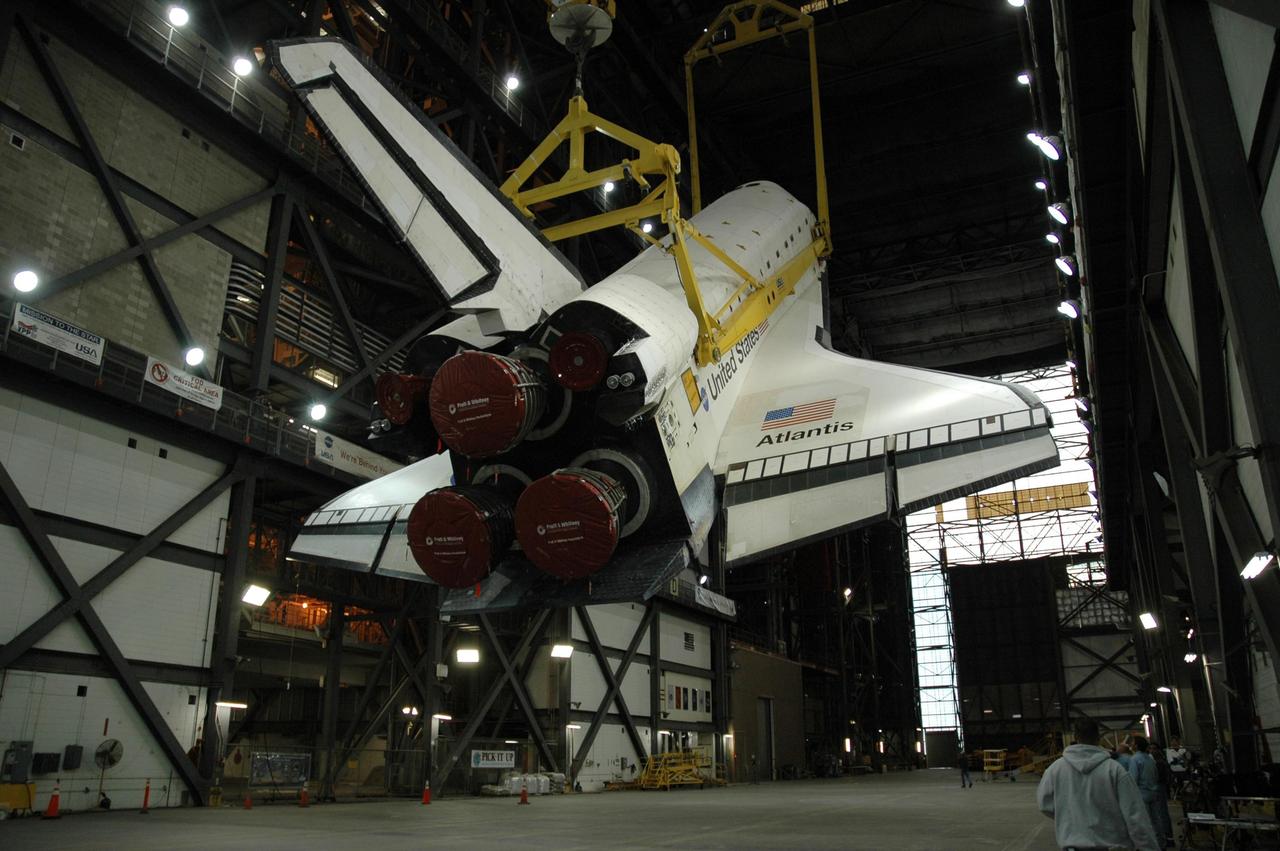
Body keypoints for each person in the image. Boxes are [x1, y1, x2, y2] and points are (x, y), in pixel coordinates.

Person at [1037, 719, 1159, 851]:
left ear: (1075, 737)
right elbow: (1135, 816)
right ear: (1098, 737)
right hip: (1113, 846)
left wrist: (1071, 815)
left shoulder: (1055, 769)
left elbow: (1044, 804)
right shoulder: (1114, 770)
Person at [1129, 737, 1172, 847]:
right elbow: (1155, 775)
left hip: (1142, 794)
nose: (1131, 745)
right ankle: (1161, 843)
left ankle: (1148, 846)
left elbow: (1133, 779)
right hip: (1153, 793)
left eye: (1133, 743)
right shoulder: (1150, 759)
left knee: (1145, 822)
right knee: (1156, 820)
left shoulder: (1135, 759)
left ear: (1137, 746)